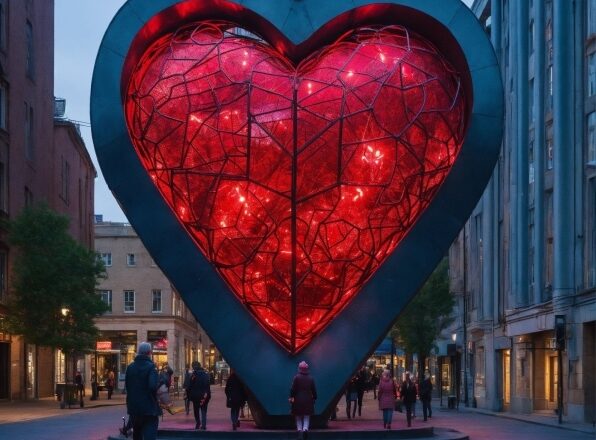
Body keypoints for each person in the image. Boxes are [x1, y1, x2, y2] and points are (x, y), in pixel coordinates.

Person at [124, 342, 161, 440]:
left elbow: (127, 387)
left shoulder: (130, 367)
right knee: (150, 435)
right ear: (149, 353)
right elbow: (153, 386)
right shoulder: (151, 367)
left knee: (137, 434)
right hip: (149, 409)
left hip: (134, 408)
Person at [289, 361, 317, 440]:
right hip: (308, 399)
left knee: (298, 416)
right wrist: (315, 397)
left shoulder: (296, 377)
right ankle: (305, 429)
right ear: (307, 369)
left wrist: (291, 397)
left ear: (299, 368)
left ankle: (299, 431)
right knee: (306, 416)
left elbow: (292, 389)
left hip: (298, 399)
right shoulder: (311, 378)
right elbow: (314, 390)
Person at [187, 361, 211, 430]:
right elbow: (207, 386)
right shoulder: (205, 375)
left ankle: (198, 422)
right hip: (204, 396)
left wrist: (189, 395)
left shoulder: (193, 375)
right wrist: (208, 395)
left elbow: (190, 386)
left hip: (195, 396)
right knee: (203, 410)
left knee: (196, 410)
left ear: (194, 367)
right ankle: (203, 425)